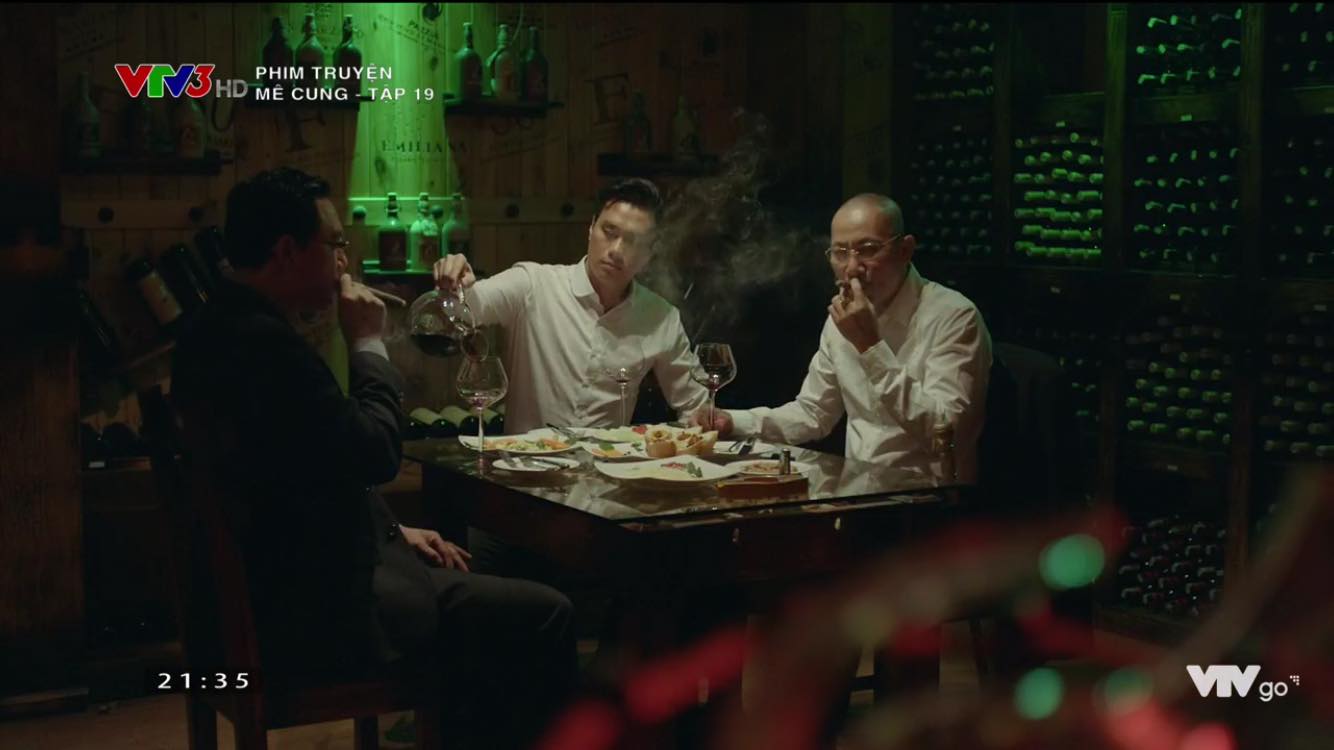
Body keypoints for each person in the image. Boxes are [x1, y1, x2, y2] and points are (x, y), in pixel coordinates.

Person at [171, 167, 575, 749]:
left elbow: (299, 471)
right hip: (315, 617)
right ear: (286, 251)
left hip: (258, 601)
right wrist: (366, 342)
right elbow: (376, 453)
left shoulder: (213, 329)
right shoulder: (268, 348)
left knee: (474, 593)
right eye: (335, 244)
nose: (344, 261)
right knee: (545, 613)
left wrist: (390, 529)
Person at [696, 194, 992, 483]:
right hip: (859, 490)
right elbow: (814, 413)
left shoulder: (953, 315)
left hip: (930, 496)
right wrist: (732, 422)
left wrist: (871, 347)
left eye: (868, 249)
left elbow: (947, 435)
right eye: (840, 252)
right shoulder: (842, 316)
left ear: (905, 250)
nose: (852, 268)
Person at [431, 178, 709, 435]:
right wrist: (454, 285)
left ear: (649, 254)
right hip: (526, 466)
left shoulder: (660, 317)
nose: (616, 250)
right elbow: (468, 309)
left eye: (632, 241)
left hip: (607, 468)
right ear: (591, 228)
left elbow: (697, 407)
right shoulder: (533, 285)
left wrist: (709, 421)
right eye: (609, 232)